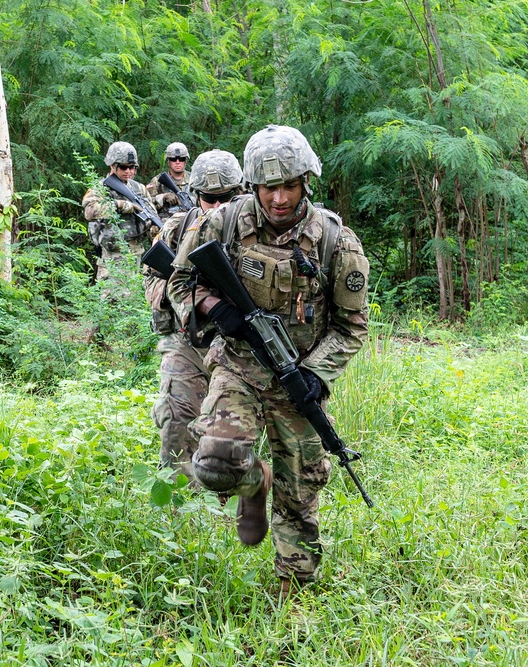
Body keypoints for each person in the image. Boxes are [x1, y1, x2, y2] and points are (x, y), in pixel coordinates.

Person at [167, 125, 370, 595]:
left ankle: (291, 598)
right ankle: (255, 481)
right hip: (238, 365)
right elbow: (178, 282)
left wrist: (316, 375)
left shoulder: (336, 242)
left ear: (306, 183)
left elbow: (352, 326)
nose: (279, 198)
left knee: (299, 496)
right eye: (268, 186)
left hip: (298, 378)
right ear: (253, 185)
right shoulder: (224, 222)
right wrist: (215, 308)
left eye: (290, 185)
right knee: (216, 464)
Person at [143, 150, 244, 482]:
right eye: (208, 198)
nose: (216, 207)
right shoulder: (178, 226)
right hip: (187, 337)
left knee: (227, 426)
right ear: (196, 195)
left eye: (225, 198)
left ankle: (222, 498)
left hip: (235, 343)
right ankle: (174, 496)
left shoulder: (252, 234)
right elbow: (152, 276)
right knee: (177, 414)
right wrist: (179, 301)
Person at [82, 141, 156, 284]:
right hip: (112, 255)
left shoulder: (139, 189)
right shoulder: (101, 188)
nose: (128, 171)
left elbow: (151, 213)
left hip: (136, 253)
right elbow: (89, 212)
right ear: (112, 165)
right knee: (111, 301)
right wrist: (119, 205)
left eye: (132, 167)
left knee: (132, 299)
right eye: (123, 167)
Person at [147, 142, 192, 220]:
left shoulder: (194, 179)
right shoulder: (157, 181)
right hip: (165, 225)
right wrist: (163, 197)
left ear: (185, 161)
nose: (177, 162)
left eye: (181, 159)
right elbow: (147, 204)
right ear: (168, 161)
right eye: (173, 159)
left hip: (190, 222)